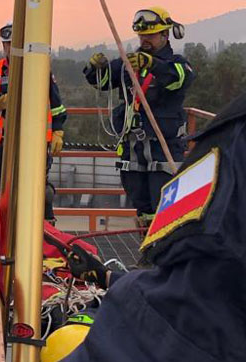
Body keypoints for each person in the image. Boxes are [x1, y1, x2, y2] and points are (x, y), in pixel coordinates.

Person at [46, 91, 246, 362]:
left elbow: (196, 299)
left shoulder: (234, 137)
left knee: (58, 342)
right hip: (151, 325)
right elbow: (193, 280)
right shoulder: (234, 136)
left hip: (150, 344)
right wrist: (106, 276)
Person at [83, 6, 195, 226]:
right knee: (142, 208)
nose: (145, 39)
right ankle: (147, 251)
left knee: (165, 206)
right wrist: (95, 69)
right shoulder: (129, 64)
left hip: (163, 150)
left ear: (165, 34)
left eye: (150, 35)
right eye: (142, 35)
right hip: (133, 149)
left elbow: (180, 78)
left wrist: (151, 64)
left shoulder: (176, 64)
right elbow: (103, 82)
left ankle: (165, 255)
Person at [0, 22, 67, 221]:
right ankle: (6, 232)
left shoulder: (39, 69)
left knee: (39, 191)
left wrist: (58, 130)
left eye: (14, 44)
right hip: (3, 143)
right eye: (7, 44)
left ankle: (45, 233)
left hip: (35, 142)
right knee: (4, 190)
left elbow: (56, 104)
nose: (10, 48)